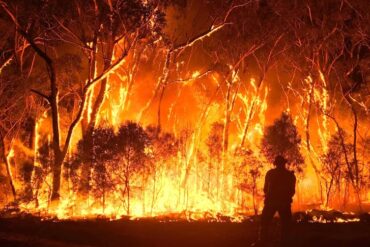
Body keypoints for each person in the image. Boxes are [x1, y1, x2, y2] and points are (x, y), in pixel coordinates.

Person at [252, 155, 296, 246]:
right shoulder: (290, 175)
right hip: (284, 203)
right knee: (286, 224)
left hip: (271, 202)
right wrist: (286, 198)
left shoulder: (270, 173)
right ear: (284, 164)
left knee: (265, 222)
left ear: (275, 164)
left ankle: (262, 241)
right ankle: (285, 242)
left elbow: (265, 189)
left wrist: (270, 196)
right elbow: (292, 191)